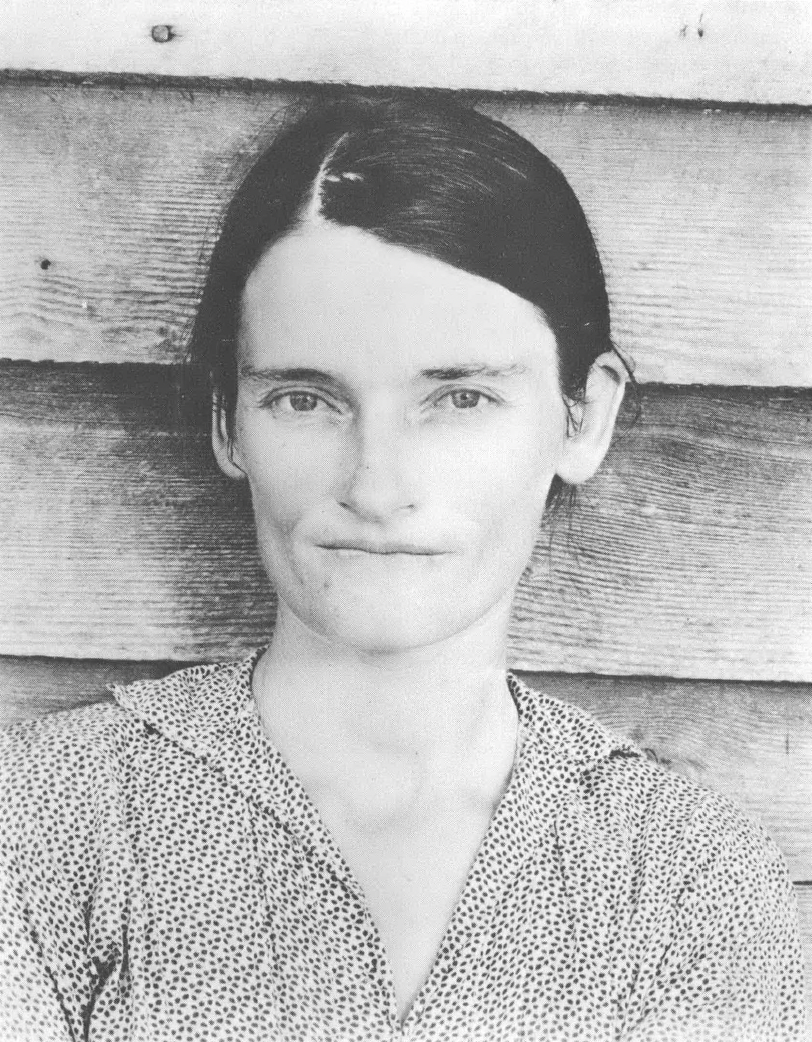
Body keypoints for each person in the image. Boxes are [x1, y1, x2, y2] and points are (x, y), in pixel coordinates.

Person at [0, 96, 806, 1042]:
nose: (376, 485)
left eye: (459, 398)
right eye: (305, 399)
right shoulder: (45, 822)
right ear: (229, 420)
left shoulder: (684, 881)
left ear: (583, 417)